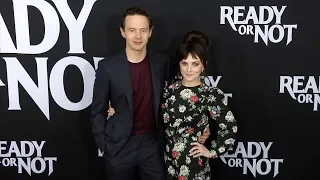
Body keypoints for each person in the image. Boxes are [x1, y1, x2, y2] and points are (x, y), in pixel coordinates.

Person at [90, 7, 210, 180]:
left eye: (143, 30)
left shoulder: (162, 63)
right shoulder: (107, 67)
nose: (138, 36)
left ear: (150, 32)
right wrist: (104, 146)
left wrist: (202, 125)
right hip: (119, 146)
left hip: (154, 146)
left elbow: (180, 95)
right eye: (132, 30)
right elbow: (97, 111)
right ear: (122, 32)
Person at [161, 34, 238, 180]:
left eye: (195, 64)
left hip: (194, 164)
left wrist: (211, 151)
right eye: (185, 63)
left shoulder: (211, 94)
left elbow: (229, 127)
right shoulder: (168, 90)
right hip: (168, 163)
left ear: (203, 65)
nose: (189, 69)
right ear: (179, 64)